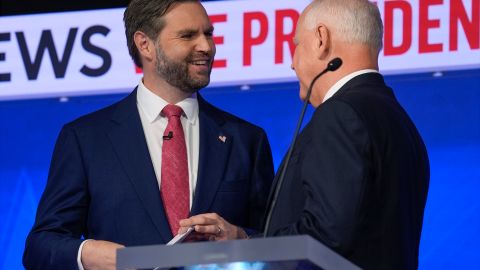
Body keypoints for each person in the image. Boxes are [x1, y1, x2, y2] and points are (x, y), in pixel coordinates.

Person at [22, 0, 274, 269]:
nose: (206, 47)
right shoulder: (85, 139)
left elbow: (275, 240)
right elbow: (41, 246)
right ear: (145, 45)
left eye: (209, 34)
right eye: (188, 35)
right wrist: (87, 253)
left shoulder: (247, 139)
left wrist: (241, 238)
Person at [181, 0, 429, 269]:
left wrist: (244, 252)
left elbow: (323, 237)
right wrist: (241, 238)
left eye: (297, 44)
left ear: (322, 39)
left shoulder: (340, 115)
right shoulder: (400, 121)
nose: (292, 64)